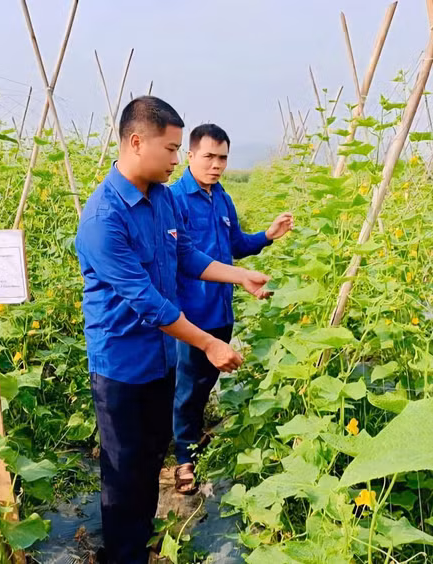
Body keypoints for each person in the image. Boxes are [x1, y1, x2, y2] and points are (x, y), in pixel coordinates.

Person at [74, 97, 272, 564]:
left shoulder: (161, 199)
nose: (176, 159)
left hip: (161, 358)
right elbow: (147, 301)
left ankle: (140, 539)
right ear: (136, 142)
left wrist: (239, 275)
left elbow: (185, 257)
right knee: (123, 472)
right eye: (170, 148)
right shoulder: (104, 218)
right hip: (121, 367)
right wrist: (208, 342)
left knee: (149, 457)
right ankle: (124, 554)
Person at [169, 124, 293, 494]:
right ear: (190, 155)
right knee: (188, 387)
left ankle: (191, 435)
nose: (217, 165)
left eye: (222, 158)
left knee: (204, 383)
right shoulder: (174, 200)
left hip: (221, 310)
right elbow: (181, 258)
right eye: (209, 156)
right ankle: (183, 459)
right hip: (190, 315)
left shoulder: (222, 198)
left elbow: (236, 244)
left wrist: (267, 236)